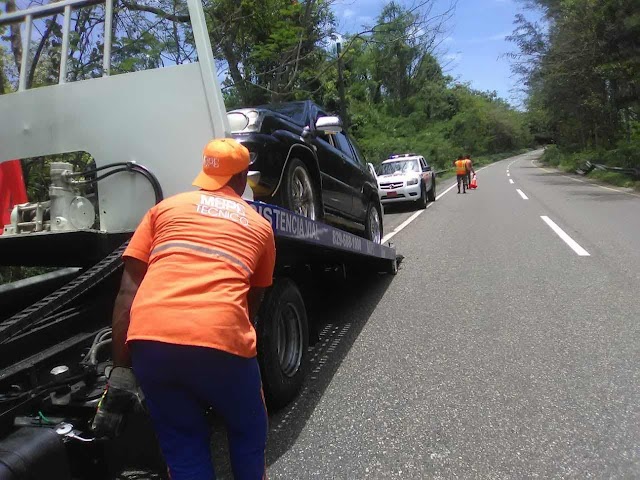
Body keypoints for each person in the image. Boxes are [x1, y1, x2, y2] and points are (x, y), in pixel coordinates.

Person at [103, 138, 276, 480]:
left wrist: (121, 369)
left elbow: (128, 291)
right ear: (242, 179)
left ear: (206, 171)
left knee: (183, 447)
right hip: (222, 340)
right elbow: (252, 299)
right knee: (248, 432)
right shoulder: (259, 226)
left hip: (151, 342)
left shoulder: (165, 209)